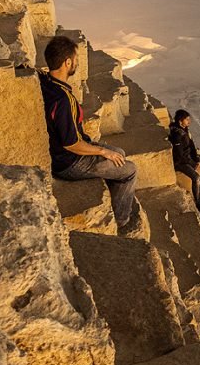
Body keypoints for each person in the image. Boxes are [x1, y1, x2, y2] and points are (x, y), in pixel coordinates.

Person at [38, 36, 142, 236]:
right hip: (70, 162)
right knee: (130, 170)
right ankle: (122, 221)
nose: (77, 63)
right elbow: (71, 144)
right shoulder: (62, 100)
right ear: (67, 62)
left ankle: (115, 193)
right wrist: (102, 151)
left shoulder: (47, 82)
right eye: (75, 59)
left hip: (65, 153)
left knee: (118, 152)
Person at [168, 109, 200, 214]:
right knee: (196, 177)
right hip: (181, 162)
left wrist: (197, 160)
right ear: (181, 121)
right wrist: (193, 164)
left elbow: (192, 146)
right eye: (187, 119)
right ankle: (199, 202)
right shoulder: (177, 135)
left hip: (190, 158)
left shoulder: (185, 129)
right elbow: (180, 156)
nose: (189, 121)